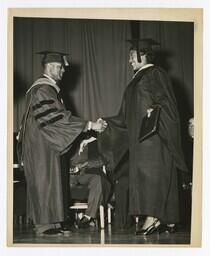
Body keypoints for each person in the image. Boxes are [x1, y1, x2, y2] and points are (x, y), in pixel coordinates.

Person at [96, 38, 189, 235]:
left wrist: (152, 114)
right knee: (147, 178)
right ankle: (164, 219)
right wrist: (105, 124)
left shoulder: (155, 74)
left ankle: (154, 217)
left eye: (131, 56)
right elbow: (124, 116)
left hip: (154, 139)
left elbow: (168, 107)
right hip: (141, 142)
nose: (129, 61)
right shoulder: (137, 79)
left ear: (143, 54)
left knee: (153, 177)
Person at [16, 51, 107, 236]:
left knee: (53, 182)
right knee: (44, 182)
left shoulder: (49, 89)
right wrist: (89, 125)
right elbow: (56, 118)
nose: (63, 70)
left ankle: (55, 223)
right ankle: (44, 225)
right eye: (60, 67)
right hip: (41, 145)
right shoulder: (42, 89)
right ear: (50, 67)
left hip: (47, 142)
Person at [69, 138, 111, 229]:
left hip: (86, 172)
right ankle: (63, 218)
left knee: (98, 179)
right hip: (68, 174)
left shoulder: (96, 141)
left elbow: (104, 159)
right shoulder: (69, 138)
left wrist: (84, 164)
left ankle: (88, 217)